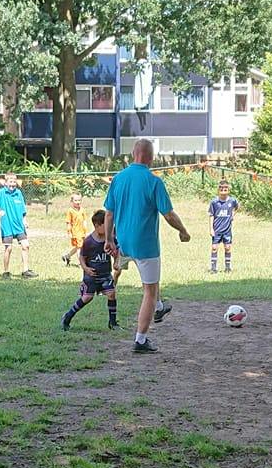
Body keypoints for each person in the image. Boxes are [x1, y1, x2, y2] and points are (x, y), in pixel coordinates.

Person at [102, 139, 190, 354]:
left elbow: (109, 213)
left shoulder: (118, 179)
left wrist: (109, 240)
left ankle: (159, 307)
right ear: (151, 158)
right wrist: (183, 231)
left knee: (144, 282)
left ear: (133, 155)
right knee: (149, 290)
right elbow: (168, 214)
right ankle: (140, 340)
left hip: (123, 243)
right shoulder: (154, 181)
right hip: (146, 245)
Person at [61, 210, 119, 331]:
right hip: (91, 276)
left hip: (105, 275)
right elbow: (82, 257)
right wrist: (86, 268)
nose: (109, 227)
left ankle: (113, 323)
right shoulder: (89, 241)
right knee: (87, 298)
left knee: (111, 294)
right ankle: (68, 316)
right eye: (106, 224)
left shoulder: (111, 238)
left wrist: (116, 261)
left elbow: (116, 251)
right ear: (97, 226)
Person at [0, 172, 34, 278]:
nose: (12, 184)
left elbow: (23, 210)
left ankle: (25, 270)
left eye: (14, 182)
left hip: (18, 226)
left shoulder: (18, 193)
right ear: (6, 182)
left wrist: (25, 221)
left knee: (26, 245)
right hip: (7, 226)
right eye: (10, 182)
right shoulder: (1, 193)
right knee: (8, 249)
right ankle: (6, 271)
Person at [208, 180, 240, 274]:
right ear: (218, 190)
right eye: (221, 189)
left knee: (227, 247)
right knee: (214, 248)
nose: (223, 191)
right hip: (217, 230)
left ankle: (228, 268)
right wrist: (211, 229)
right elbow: (211, 215)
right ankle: (213, 268)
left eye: (225, 189)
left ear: (228, 190)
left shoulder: (232, 200)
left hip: (227, 230)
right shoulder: (214, 202)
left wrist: (233, 214)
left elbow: (237, 206)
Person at [61, 194, 86, 266]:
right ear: (72, 201)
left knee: (79, 246)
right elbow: (68, 222)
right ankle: (81, 263)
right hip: (75, 232)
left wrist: (85, 228)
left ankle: (67, 256)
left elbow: (84, 220)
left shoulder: (82, 210)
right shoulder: (70, 211)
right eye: (75, 200)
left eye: (79, 200)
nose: (78, 202)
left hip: (82, 232)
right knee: (79, 248)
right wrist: (69, 232)